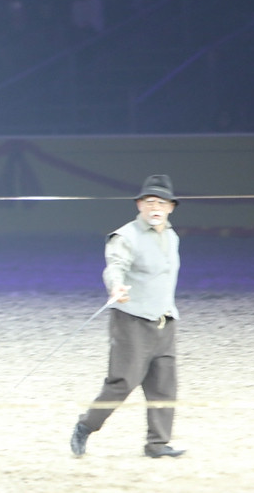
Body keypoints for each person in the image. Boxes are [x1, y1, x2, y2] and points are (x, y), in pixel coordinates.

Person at [70, 174, 186, 459]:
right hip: (132, 321)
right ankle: (86, 426)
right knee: (122, 382)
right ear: (139, 205)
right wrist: (116, 286)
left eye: (161, 202)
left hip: (165, 320)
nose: (155, 207)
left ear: (171, 207)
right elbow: (115, 266)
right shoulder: (125, 236)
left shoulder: (171, 237)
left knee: (164, 384)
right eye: (149, 202)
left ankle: (158, 444)